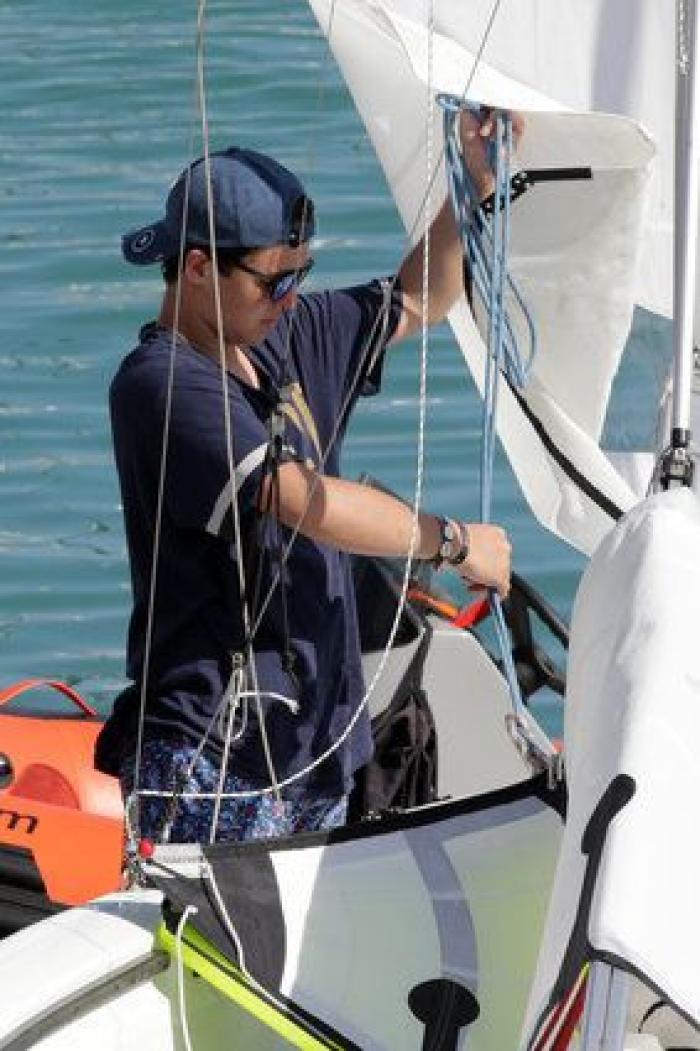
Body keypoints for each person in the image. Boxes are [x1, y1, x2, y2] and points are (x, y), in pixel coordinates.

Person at [95, 110, 516, 845]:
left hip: (318, 749)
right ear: (198, 268)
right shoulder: (160, 383)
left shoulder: (283, 334)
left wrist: (473, 186)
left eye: (300, 276)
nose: (290, 298)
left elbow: (417, 298)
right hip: (214, 762)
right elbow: (300, 500)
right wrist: (451, 543)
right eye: (272, 281)